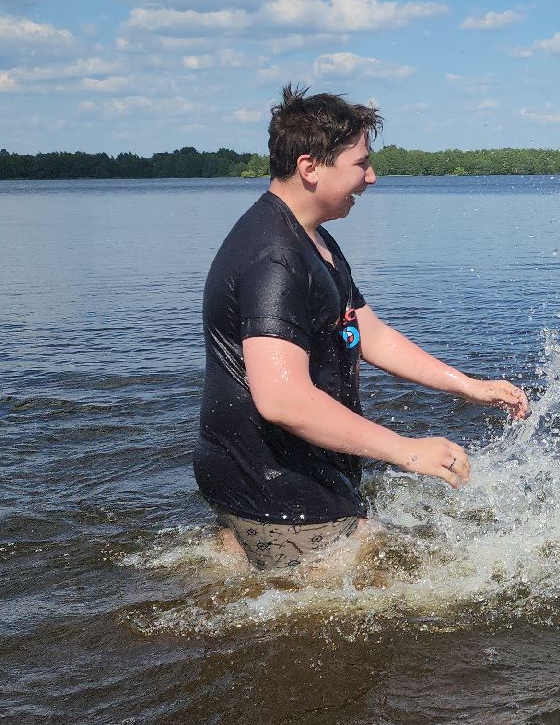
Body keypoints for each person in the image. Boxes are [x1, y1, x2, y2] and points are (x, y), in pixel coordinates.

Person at [195, 84, 528, 576]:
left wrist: (469, 386)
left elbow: (369, 334)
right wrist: (407, 452)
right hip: (272, 480)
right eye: (361, 164)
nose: (371, 177)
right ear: (310, 167)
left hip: (281, 468)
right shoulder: (274, 258)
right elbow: (282, 399)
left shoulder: (311, 238)